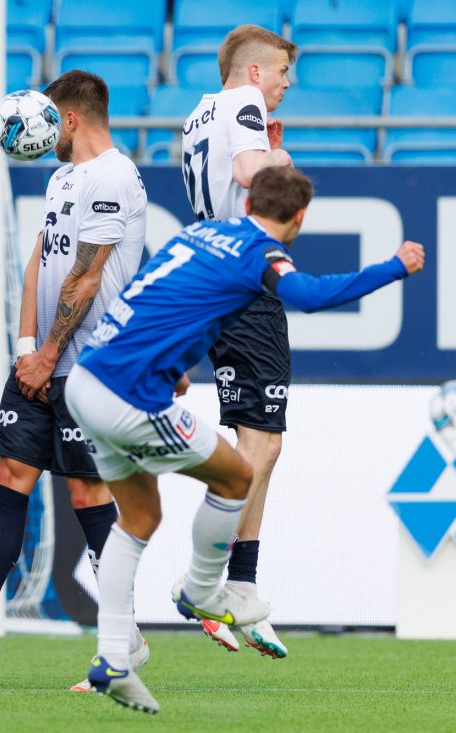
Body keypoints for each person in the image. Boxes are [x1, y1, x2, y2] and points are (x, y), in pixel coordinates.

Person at [64, 167, 425, 714]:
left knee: (136, 519)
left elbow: (151, 299)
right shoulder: (260, 253)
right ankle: (203, 591)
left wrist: (175, 366)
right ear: (298, 219)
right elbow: (306, 295)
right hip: (128, 394)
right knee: (236, 474)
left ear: (248, 199)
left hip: (88, 380)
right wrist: (393, 267)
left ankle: (113, 659)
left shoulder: (194, 235)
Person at [0, 70, 149, 689]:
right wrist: (26, 348)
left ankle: (124, 638)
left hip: (93, 366)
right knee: (10, 475)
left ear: (69, 119)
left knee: (86, 496)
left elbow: (86, 275)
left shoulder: (114, 175)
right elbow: (40, 262)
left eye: (48, 119)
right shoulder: (63, 178)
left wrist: (49, 354)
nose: (42, 132)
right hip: (43, 361)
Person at [180, 24, 297, 657]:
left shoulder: (198, 114)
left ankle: (232, 589)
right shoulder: (243, 104)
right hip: (244, 280)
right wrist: (280, 158)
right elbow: (251, 169)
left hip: (215, 276)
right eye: (282, 72)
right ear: (255, 71)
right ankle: (217, 587)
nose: (287, 84)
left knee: (260, 444)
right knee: (262, 442)